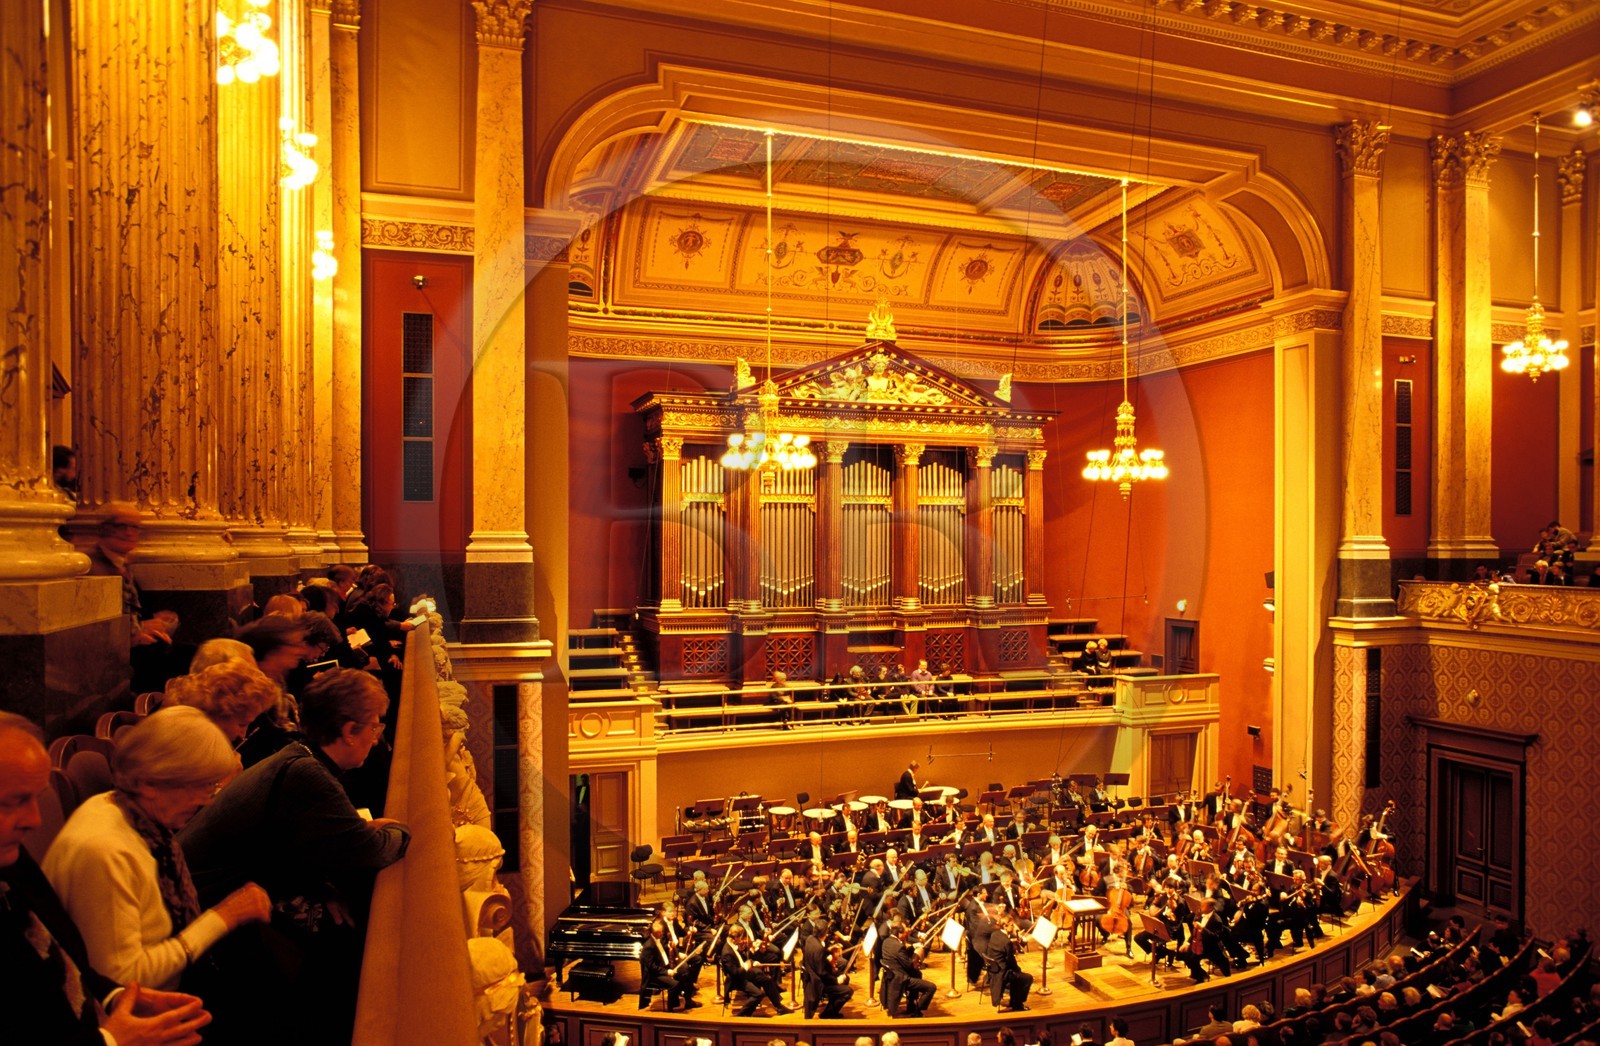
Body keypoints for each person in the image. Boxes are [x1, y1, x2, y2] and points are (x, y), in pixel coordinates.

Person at [177, 669, 411, 1044]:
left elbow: (303, 843)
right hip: (206, 917)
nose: (375, 737)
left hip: (229, 899)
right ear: (349, 730)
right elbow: (371, 852)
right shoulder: (307, 773)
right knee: (341, 959)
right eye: (374, 728)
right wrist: (402, 830)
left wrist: (326, 883)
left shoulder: (300, 758)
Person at [1, 710, 213, 1045]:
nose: (34, 821)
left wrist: (116, 997)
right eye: (12, 803)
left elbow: (70, 959)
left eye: (35, 798)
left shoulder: (10, 859)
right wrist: (111, 1040)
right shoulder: (102, 844)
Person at [44, 707, 272, 990]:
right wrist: (222, 918)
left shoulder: (136, 817)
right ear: (151, 783)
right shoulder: (104, 849)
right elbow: (124, 981)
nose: (207, 801)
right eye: (202, 787)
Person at [880, 922, 935, 1017]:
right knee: (931, 987)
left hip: (892, 976)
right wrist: (917, 955)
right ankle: (917, 1011)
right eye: (905, 932)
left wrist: (913, 947)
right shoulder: (899, 946)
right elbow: (909, 965)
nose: (907, 934)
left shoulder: (886, 942)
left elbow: (901, 955)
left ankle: (911, 1006)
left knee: (917, 974)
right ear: (900, 933)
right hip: (901, 979)